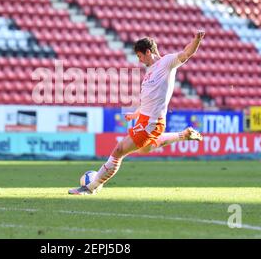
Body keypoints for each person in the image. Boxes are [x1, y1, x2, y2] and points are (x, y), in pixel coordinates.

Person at [68, 30, 205, 195]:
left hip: (151, 122)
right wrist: (136, 113)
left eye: (140, 56)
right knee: (145, 149)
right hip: (146, 120)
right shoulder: (150, 72)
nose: (139, 61)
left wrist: (197, 39)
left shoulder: (167, 62)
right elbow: (149, 98)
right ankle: (183, 135)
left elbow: (186, 53)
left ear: (148, 52)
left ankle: (90, 187)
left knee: (118, 151)